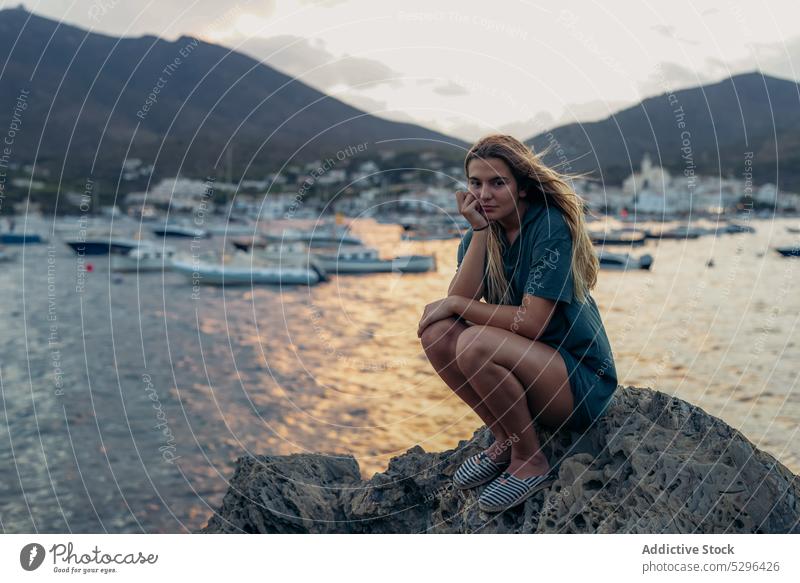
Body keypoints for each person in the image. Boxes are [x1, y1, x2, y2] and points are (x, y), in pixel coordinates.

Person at [417, 134, 618, 513]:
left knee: (474, 343)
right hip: (532, 373)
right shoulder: (482, 233)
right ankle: (504, 438)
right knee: (439, 334)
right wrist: (478, 232)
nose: (484, 194)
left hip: (579, 382)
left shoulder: (549, 225)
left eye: (497, 182)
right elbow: (453, 314)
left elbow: (531, 323)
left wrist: (457, 303)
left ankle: (530, 462)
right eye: (475, 183)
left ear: (522, 187)